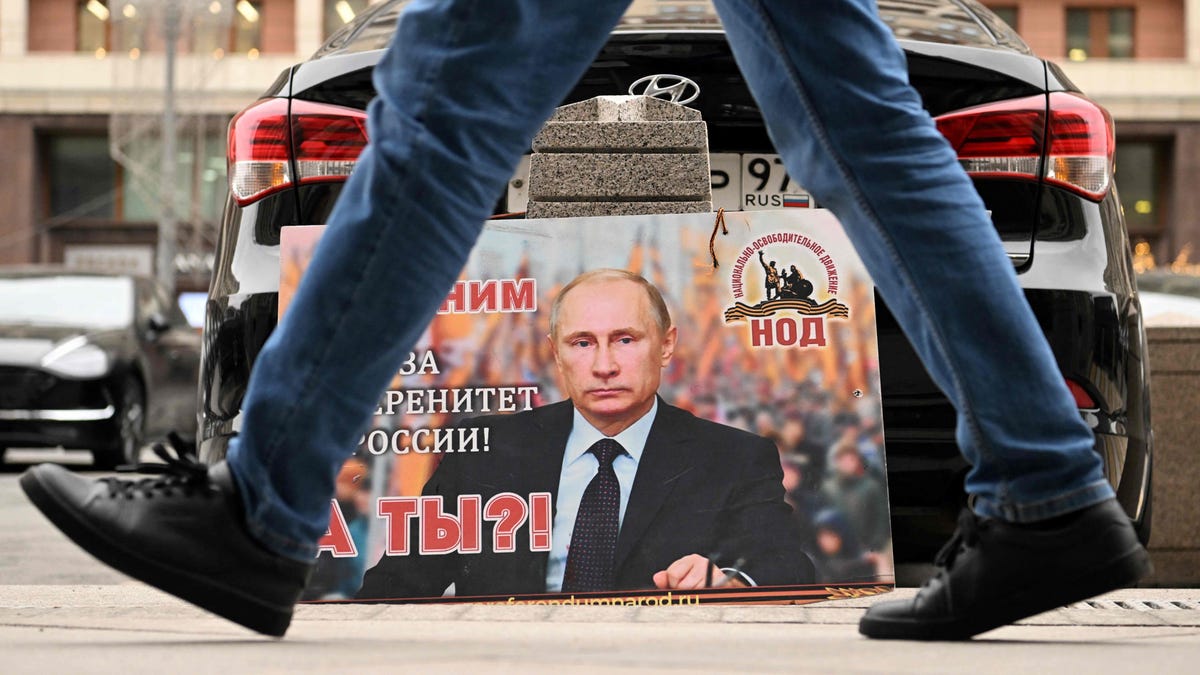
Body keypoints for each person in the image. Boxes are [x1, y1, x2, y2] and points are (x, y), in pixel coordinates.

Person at [19, 0, 1149, 641]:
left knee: (450, 104)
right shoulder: (519, 448)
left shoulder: (738, 461)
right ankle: (1045, 486)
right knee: (852, 110)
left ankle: (261, 511)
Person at [356, 269, 811, 599]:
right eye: (583, 343)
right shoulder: (487, 450)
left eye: (626, 339)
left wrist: (729, 581)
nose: (604, 365)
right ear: (556, 353)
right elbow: (397, 582)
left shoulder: (732, 457)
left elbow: (787, 567)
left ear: (666, 344)